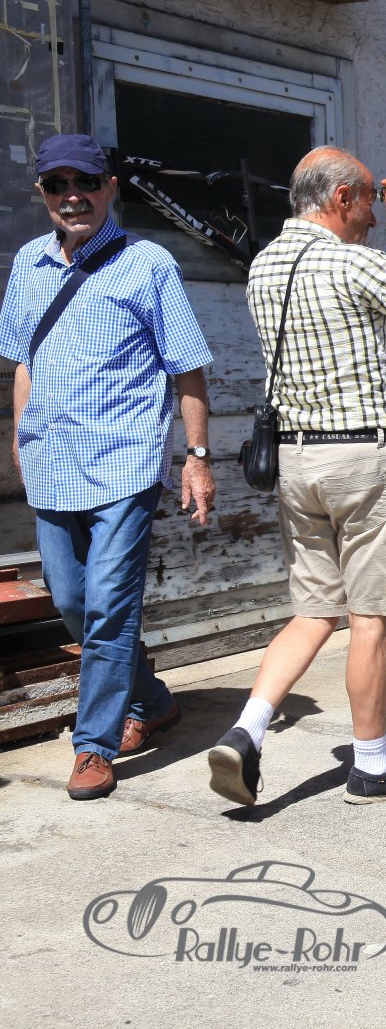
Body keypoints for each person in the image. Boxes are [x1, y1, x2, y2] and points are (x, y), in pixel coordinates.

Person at [206, 146, 386, 809]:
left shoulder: (265, 263)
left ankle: (246, 730)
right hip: (361, 457)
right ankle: (373, 764)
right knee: (371, 618)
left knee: (312, 611)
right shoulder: (357, 263)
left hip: (297, 461)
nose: (374, 217)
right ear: (342, 199)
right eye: (368, 203)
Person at [0, 134, 215, 801]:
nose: (73, 197)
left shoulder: (148, 264)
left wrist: (197, 456)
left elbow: (188, 369)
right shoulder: (28, 264)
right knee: (73, 599)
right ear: (42, 194)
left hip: (124, 465)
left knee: (111, 604)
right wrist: (20, 435)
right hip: (51, 462)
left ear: (110, 188)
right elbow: (24, 361)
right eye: (58, 185)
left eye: (86, 182)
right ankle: (150, 698)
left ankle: (92, 744)